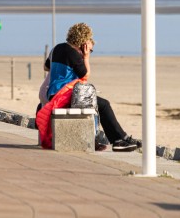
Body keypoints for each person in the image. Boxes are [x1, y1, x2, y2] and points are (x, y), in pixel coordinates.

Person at [37, 22, 139, 152]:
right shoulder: (73, 53)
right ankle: (119, 140)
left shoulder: (57, 48)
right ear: (83, 40)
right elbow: (85, 75)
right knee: (104, 104)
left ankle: (115, 139)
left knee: (95, 103)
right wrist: (86, 57)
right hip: (65, 95)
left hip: (53, 94)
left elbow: (46, 67)